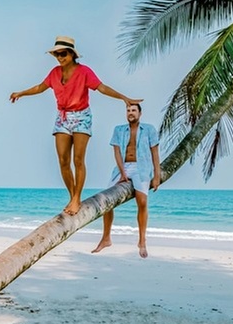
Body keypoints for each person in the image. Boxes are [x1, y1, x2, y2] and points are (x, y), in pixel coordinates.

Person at [9, 36, 143, 215]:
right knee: (63, 160)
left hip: (81, 117)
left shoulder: (84, 71)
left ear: (72, 54)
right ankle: (73, 196)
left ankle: (77, 198)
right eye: (57, 54)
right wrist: (21, 93)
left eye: (63, 53)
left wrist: (124, 98)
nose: (60, 57)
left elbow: (102, 87)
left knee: (78, 160)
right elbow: (40, 87)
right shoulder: (54, 73)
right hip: (62, 117)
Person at [92, 104, 160, 258]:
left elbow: (155, 153)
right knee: (107, 200)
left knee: (142, 202)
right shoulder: (119, 130)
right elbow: (116, 153)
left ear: (140, 113)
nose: (130, 113)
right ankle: (106, 238)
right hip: (122, 167)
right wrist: (122, 173)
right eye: (128, 111)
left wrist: (156, 175)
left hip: (141, 168)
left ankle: (142, 241)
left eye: (133, 110)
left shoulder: (149, 129)